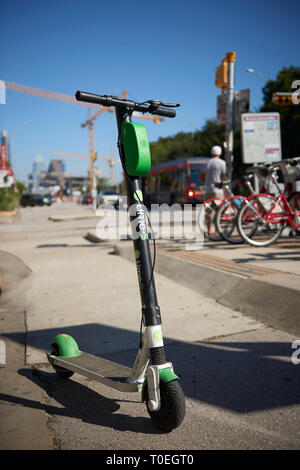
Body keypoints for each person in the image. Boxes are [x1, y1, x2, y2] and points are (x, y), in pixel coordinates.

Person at [199, 145, 227, 236]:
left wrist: (207, 181)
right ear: (220, 153)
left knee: (208, 212)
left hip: (208, 191)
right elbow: (224, 177)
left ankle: (208, 230)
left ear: (211, 153)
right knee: (219, 212)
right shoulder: (222, 163)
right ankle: (217, 230)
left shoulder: (206, 163)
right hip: (219, 191)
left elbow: (201, 178)